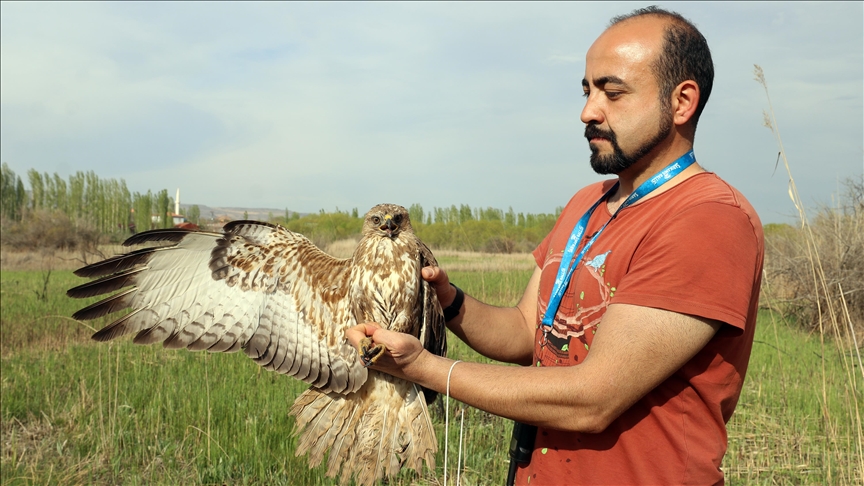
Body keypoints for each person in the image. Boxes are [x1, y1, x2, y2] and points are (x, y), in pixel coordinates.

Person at [347, 6, 764, 485]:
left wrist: (424, 367)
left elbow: (594, 397)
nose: (588, 111)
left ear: (682, 101)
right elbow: (529, 331)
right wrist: (448, 301)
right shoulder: (586, 204)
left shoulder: (708, 219)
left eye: (613, 91)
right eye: (587, 91)